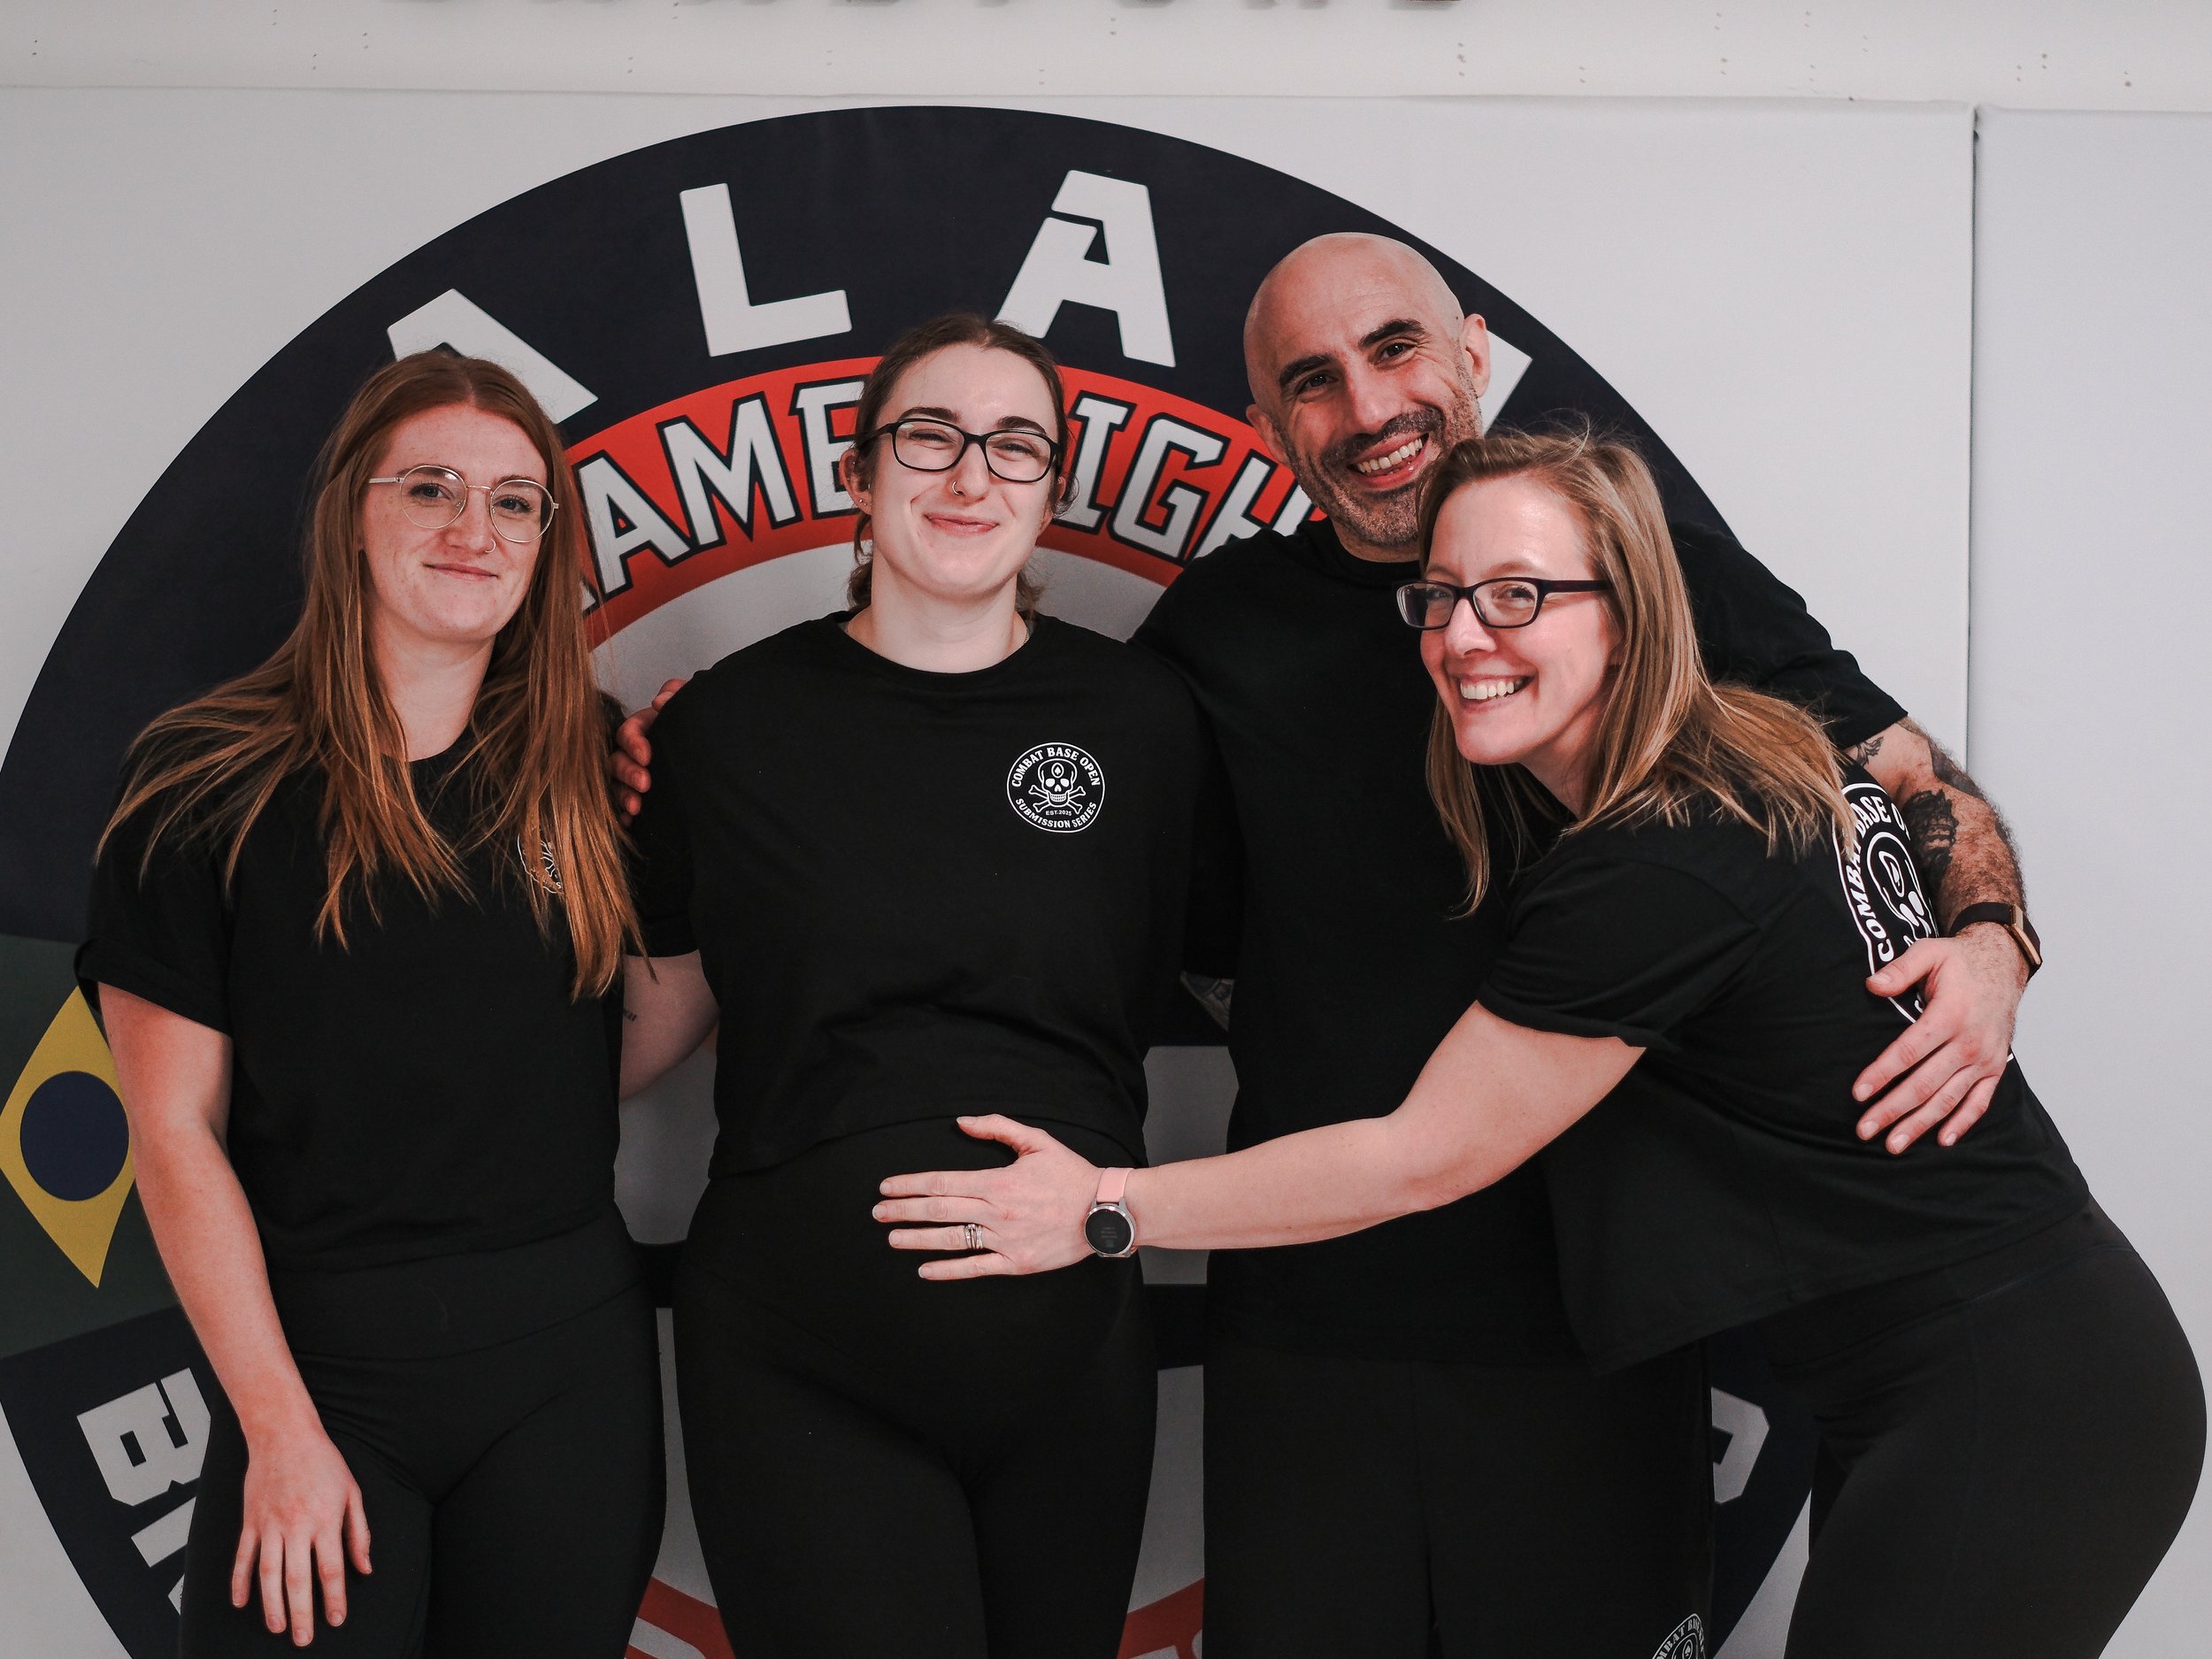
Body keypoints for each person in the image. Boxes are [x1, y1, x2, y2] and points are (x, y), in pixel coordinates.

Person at [618, 232, 2040, 1656]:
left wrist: (1991, 937)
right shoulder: (1215, 638)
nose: (1368, 408)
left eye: (1395, 349)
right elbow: (1027, 832)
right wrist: (693, 758)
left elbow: (1896, 768)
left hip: (1586, 1312)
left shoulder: (1643, 571)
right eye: (1313, 380)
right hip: (1305, 1317)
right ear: (1268, 423)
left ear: (1471, 353)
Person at [877, 426, 2206, 1659]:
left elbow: (1419, 1157)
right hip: (1986, 1366)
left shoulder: (1659, 857)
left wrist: (1101, 1208)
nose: (1465, 638)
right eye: (1442, 598)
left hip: (2006, 1388)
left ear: (1629, 611)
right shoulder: (1755, 753)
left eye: (1519, 596)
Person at [617, 313, 1206, 1658]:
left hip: (1069, 1364)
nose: (970, 475)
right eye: (930, 436)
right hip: (801, 1358)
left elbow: (1242, 972)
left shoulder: (1145, 721)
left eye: (1015, 446)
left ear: (1052, 492)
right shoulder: (727, 723)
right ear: (861, 471)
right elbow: (658, 1010)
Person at [81, 353, 664, 1655]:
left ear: (545, 542)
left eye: (514, 502)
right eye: (432, 488)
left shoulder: (587, 763)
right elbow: (171, 1133)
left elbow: (587, 1052)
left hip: (570, 1371)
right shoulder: (204, 780)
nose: (474, 529)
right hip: (324, 1372)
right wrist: (278, 1429)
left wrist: (709, 834)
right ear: (354, 512)